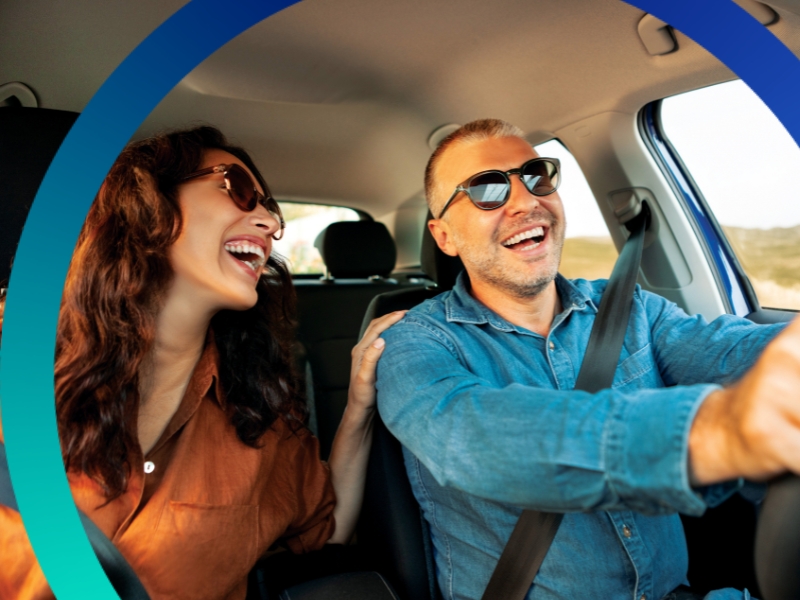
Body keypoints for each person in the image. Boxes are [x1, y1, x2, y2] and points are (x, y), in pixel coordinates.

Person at [375, 118, 799, 600]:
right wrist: (718, 433)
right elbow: (470, 440)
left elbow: (734, 350)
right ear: (444, 236)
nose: (525, 201)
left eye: (536, 176)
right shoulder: (413, 344)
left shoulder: (631, 308)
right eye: (487, 189)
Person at [0, 126, 404, 599]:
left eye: (272, 211)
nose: (270, 223)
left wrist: (358, 407)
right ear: (147, 204)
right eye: (240, 189)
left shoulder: (259, 420)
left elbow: (327, 529)